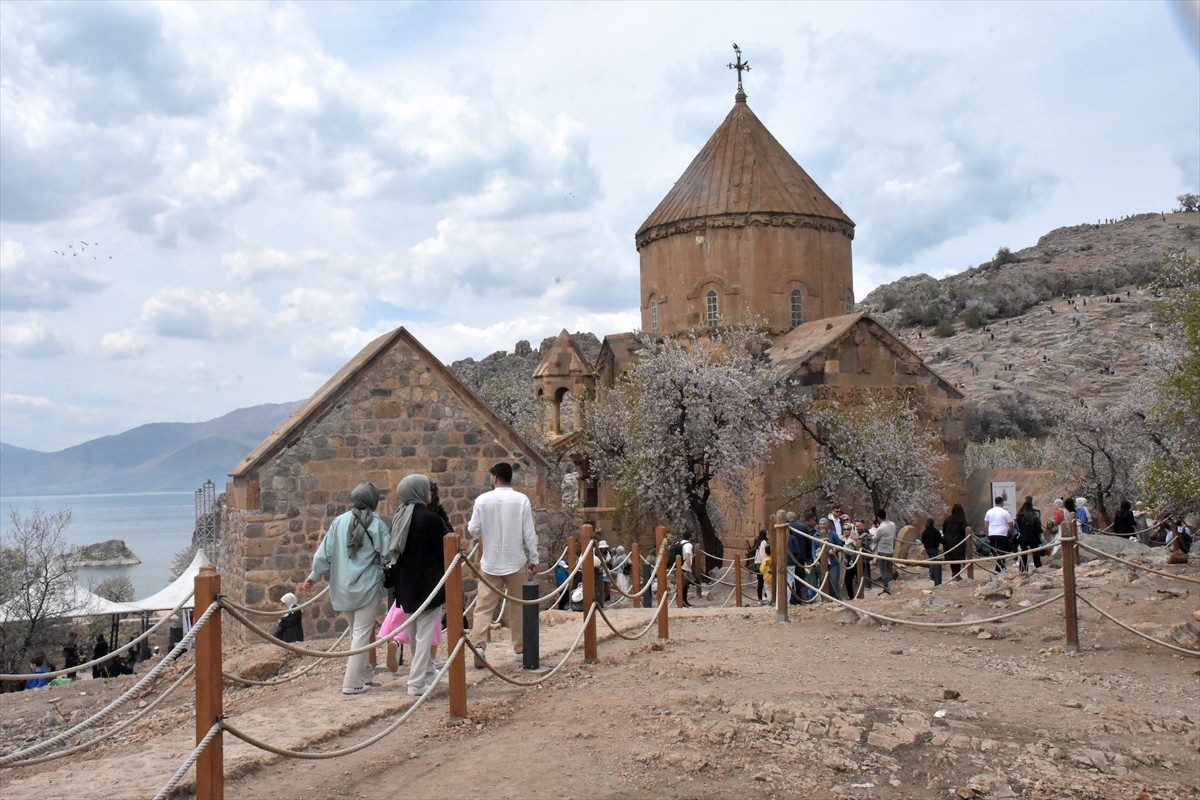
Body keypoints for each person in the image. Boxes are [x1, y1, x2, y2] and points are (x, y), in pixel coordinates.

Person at [302, 481, 388, 695]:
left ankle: (364, 675)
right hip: (368, 586)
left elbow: (324, 554)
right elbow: (387, 554)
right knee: (361, 634)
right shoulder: (376, 524)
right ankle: (352, 682)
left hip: (342, 588)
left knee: (355, 633)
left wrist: (314, 576)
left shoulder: (338, 522)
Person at [467, 462, 540, 668]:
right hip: (515, 560)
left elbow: (473, 529)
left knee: (483, 607)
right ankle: (520, 648)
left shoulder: (482, 500)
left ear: (494, 478)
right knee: (517, 606)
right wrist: (534, 558)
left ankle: (479, 646)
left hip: (490, 561)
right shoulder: (521, 500)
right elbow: (529, 533)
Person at [390, 474, 450, 695]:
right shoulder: (429, 519)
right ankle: (415, 682)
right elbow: (447, 546)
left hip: (405, 583)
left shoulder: (398, 518)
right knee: (424, 634)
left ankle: (425, 674)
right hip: (428, 584)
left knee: (415, 632)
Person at [984, 497, 1014, 573]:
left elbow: (986, 523)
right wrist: (1011, 533)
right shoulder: (1004, 512)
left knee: (994, 550)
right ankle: (1000, 566)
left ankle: (999, 565)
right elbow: (1011, 524)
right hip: (1002, 533)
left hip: (992, 533)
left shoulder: (989, 511)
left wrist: (987, 532)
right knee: (1002, 550)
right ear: (1002, 502)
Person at [1015, 496, 1044, 572]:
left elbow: (1016, 526)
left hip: (1023, 537)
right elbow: (1038, 527)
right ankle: (1037, 567)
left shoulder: (1019, 515)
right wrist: (1040, 535)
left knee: (1024, 552)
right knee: (1035, 552)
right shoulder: (1034, 515)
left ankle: (1023, 569)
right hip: (1033, 537)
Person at [941, 504, 968, 581]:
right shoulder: (962, 520)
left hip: (947, 540)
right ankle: (957, 574)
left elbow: (944, 529)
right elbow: (964, 531)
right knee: (957, 558)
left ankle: (954, 573)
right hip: (957, 540)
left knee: (951, 558)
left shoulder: (948, 519)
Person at [873, 509, 896, 595]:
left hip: (882, 551)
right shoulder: (892, 524)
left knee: (884, 571)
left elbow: (874, 540)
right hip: (890, 550)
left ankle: (887, 588)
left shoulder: (880, 528)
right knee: (889, 570)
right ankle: (892, 586)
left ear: (878, 517)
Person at [921, 518, 943, 586]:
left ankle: (932, 574)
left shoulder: (925, 532)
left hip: (927, 548)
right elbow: (940, 540)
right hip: (934, 548)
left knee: (931, 560)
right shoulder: (936, 531)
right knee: (933, 561)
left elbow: (922, 540)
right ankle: (931, 574)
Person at [751, 530, 769, 603]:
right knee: (766, 581)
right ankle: (764, 597)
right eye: (767, 534)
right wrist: (767, 563)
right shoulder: (764, 542)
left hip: (758, 563)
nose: (768, 535)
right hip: (762, 564)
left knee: (760, 582)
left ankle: (760, 599)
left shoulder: (759, 542)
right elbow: (762, 554)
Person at [680, 531, 696, 607]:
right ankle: (683, 602)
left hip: (679, 566)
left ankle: (684, 601)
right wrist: (689, 568)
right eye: (692, 536)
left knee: (683, 585)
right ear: (690, 537)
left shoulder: (680, 543)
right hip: (685, 567)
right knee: (684, 585)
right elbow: (687, 555)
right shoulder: (689, 545)